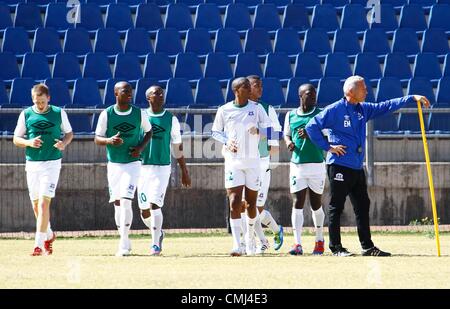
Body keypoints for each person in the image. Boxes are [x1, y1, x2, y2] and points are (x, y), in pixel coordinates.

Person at [305, 75, 430, 256]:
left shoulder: (363, 109)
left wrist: (410, 98)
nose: (367, 90)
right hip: (339, 165)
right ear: (351, 91)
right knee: (336, 206)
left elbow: (386, 106)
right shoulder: (334, 110)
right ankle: (336, 247)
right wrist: (328, 147)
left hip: (356, 167)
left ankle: (367, 246)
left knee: (362, 205)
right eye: (363, 87)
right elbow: (311, 127)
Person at [212, 77, 273, 256]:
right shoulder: (224, 110)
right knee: (234, 202)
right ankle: (237, 244)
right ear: (236, 90)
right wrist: (227, 142)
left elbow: (272, 130)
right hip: (233, 162)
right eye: (245, 87)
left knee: (251, 204)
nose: (249, 89)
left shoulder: (257, 108)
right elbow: (215, 131)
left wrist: (260, 131)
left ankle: (250, 240)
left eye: (249, 86)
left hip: (253, 162)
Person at [13, 84, 73, 256]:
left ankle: (38, 245)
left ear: (49, 98)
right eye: (36, 101)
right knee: (36, 207)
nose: (39, 105)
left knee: (44, 203)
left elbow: (69, 133)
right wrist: (29, 142)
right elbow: (16, 139)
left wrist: (64, 143)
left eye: (42, 101)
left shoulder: (58, 113)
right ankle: (49, 234)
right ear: (32, 99)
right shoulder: (26, 114)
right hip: (32, 164)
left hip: (52, 163)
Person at [94, 81, 152, 257]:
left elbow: (149, 132)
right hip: (114, 164)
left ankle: (124, 242)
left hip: (132, 164)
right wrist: (109, 140)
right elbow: (97, 138)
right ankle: (123, 238)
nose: (129, 94)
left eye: (130, 91)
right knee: (118, 204)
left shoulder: (138, 113)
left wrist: (140, 148)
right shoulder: (107, 114)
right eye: (125, 91)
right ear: (115, 93)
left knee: (126, 200)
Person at [137, 85, 191, 256]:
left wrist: (184, 170)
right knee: (144, 210)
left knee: (155, 204)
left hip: (162, 168)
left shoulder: (171, 119)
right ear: (148, 98)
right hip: (141, 168)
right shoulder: (141, 117)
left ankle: (155, 245)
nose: (160, 95)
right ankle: (159, 232)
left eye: (161, 93)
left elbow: (177, 146)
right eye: (156, 93)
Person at [240, 75, 284, 255]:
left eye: (261, 86)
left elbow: (278, 134)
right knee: (244, 205)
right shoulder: (236, 108)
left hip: (261, 162)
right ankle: (260, 242)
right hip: (242, 163)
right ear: (247, 88)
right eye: (257, 86)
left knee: (256, 208)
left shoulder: (267, 108)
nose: (261, 89)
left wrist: (260, 131)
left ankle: (275, 230)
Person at [284, 84, 326, 256]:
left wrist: (310, 135)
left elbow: (327, 135)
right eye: (309, 94)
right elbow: (287, 133)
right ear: (300, 95)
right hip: (297, 165)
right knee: (297, 203)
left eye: (315, 93)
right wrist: (288, 142)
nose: (313, 96)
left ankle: (319, 239)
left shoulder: (320, 114)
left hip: (316, 164)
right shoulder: (291, 115)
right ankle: (297, 243)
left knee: (316, 204)